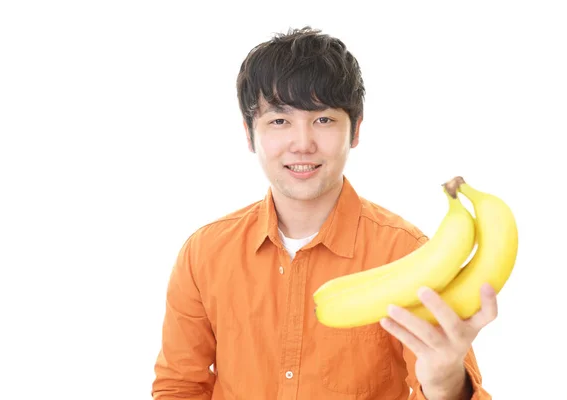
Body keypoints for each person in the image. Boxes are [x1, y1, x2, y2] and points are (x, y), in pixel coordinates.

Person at [151, 26, 496, 400]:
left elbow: (446, 382)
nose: (302, 144)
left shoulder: (409, 254)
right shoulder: (204, 254)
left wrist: (446, 382)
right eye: (279, 121)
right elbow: (179, 387)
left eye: (323, 120)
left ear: (356, 130)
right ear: (250, 135)